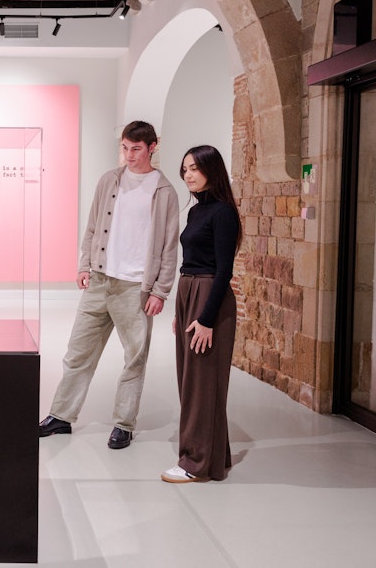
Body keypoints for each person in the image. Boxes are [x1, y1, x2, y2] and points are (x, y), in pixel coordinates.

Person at [39, 121, 180, 449]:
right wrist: (84, 264)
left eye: (136, 149)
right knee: (77, 352)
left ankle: (123, 424)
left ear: (152, 148)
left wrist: (160, 291)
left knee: (134, 358)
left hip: (136, 288)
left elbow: (170, 247)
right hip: (100, 280)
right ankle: (61, 416)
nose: (129, 156)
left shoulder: (164, 192)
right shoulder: (110, 180)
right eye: (125, 148)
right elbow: (92, 227)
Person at [162, 144, 241, 483]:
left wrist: (207, 318)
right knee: (192, 381)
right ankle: (215, 457)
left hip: (209, 294)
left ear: (212, 169)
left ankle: (195, 463)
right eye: (185, 169)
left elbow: (224, 270)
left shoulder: (223, 212)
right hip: (189, 291)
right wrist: (183, 311)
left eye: (194, 168)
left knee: (201, 383)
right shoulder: (196, 211)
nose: (187, 175)